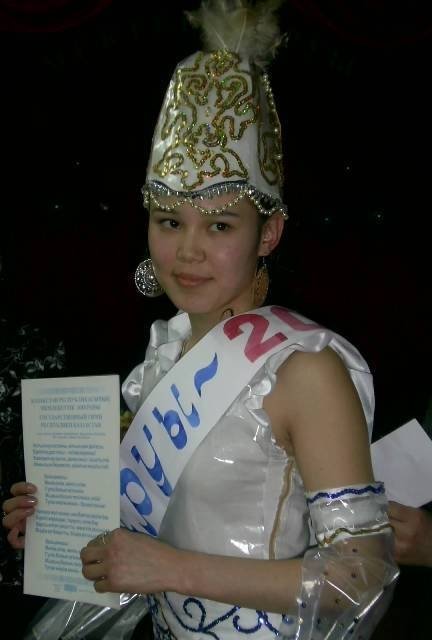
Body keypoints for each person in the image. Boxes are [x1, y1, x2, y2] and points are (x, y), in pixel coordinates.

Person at [2, 2, 398, 639]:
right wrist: (63, 526)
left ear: (268, 233)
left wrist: (171, 569)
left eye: (219, 225)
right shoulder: (164, 355)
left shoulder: (306, 370)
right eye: (169, 221)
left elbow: (361, 578)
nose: (187, 251)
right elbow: (153, 527)